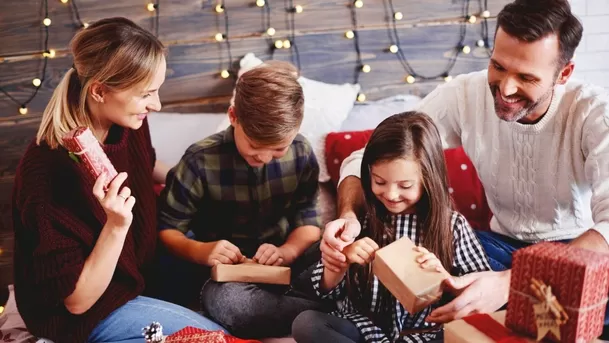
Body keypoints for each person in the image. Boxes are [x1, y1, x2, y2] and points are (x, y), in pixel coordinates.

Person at [321, 0, 609, 325]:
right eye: (498, 66)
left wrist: (512, 283)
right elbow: (364, 157)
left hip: (575, 251)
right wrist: (347, 215)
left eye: (526, 77)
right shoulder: (464, 94)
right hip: (497, 249)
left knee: (589, 295)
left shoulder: (594, 111)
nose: (506, 89)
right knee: (419, 260)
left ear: (564, 74)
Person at [12, 17, 224, 343]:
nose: (156, 104)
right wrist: (116, 224)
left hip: (140, 269)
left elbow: (147, 165)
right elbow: (77, 301)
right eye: (147, 94)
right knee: (216, 338)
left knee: (232, 283)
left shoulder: (125, 123)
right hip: (84, 311)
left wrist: (201, 183)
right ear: (99, 90)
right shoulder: (47, 172)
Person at [157, 65, 329, 339]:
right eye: (253, 145)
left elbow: (308, 220)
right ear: (233, 117)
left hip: (285, 263)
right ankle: (326, 312)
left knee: (337, 248)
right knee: (229, 303)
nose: (263, 158)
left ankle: (311, 308)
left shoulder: (301, 152)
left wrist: (287, 251)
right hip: (228, 277)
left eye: (277, 149)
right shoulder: (199, 160)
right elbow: (167, 230)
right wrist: (202, 251)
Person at [291, 112, 490, 343]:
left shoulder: (452, 226)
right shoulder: (360, 222)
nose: (391, 195)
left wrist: (446, 279)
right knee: (306, 323)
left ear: (429, 179)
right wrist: (341, 262)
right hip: (365, 328)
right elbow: (325, 290)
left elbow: (479, 295)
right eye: (380, 182)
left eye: (405, 185)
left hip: (424, 334)